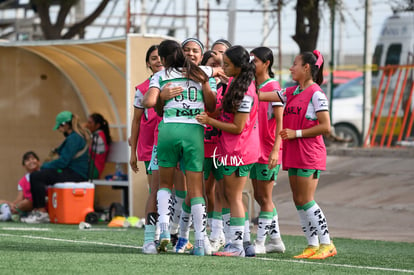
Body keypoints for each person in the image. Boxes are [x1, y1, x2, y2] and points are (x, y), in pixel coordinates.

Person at [258, 50, 337, 259]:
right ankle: (312, 244)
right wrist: (241, 79)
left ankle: (327, 243)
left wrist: (296, 133)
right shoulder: (291, 92)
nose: (291, 68)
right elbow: (260, 95)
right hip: (294, 152)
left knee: (307, 200)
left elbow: (326, 127)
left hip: (309, 153)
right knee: (298, 200)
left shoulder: (316, 94)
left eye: (295, 63)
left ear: (306, 68)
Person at [144, 39, 216, 256]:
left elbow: (149, 103)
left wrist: (161, 97)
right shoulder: (201, 73)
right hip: (194, 131)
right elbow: (212, 106)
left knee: (164, 185)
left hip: (168, 130)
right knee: (196, 190)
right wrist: (206, 80)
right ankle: (201, 242)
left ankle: (164, 231)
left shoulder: (161, 75)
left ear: (164, 59)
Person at [196, 45, 260, 257]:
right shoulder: (234, 82)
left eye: (227, 64)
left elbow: (238, 127)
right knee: (224, 193)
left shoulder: (247, 91)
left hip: (239, 151)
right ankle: (234, 242)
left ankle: (238, 246)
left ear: (239, 67)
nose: (223, 68)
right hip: (228, 149)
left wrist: (210, 120)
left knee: (234, 197)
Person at [23, 111, 91, 224]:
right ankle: (40, 211)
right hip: (73, 172)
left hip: (75, 174)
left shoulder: (74, 138)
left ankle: (41, 212)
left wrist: (44, 166)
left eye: (59, 127)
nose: (59, 130)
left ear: (65, 125)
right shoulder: (75, 137)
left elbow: (63, 162)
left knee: (36, 176)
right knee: (38, 176)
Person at [249, 46, 285, 254]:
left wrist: (275, 150)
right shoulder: (253, 86)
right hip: (254, 149)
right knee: (260, 197)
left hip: (268, 150)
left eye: (255, 61)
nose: (252, 65)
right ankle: (276, 240)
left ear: (266, 63)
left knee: (265, 198)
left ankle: (260, 243)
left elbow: (280, 120)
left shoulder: (273, 87)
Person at [129, 44, 164, 254]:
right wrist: (132, 151)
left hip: (174, 143)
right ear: (147, 64)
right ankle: (154, 236)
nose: (158, 61)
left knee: (178, 192)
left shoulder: (179, 83)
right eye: (153, 58)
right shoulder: (142, 89)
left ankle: (174, 233)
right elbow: (136, 121)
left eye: (161, 57)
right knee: (156, 191)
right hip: (151, 147)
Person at [0, 151, 40, 221]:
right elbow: (19, 199)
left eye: (33, 159)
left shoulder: (44, 175)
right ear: (24, 166)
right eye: (27, 160)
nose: (31, 161)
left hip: (37, 203)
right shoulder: (22, 181)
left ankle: (10, 214)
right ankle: (8, 214)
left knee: (27, 202)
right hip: (25, 205)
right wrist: (11, 204)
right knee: (2, 202)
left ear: (38, 162)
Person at [87, 113, 112, 179]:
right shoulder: (98, 134)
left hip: (94, 169)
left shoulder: (98, 136)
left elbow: (86, 147)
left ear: (97, 125)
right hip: (93, 168)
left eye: (90, 123)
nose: (87, 125)